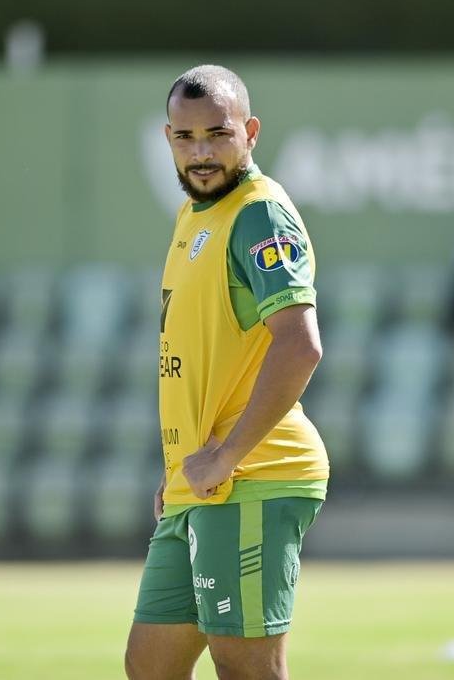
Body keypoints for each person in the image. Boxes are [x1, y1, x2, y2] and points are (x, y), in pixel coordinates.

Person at [125, 65, 329, 680]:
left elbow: (300, 346)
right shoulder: (195, 215)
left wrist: (226, 454)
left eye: (218, 134)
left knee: (247, 671)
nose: (203, 152)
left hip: (252, 476)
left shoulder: (257, 215)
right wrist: (185, 462)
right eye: (186, 139)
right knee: (150, 666)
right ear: (168, 139)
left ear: (251, 132)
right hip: (199, 484)